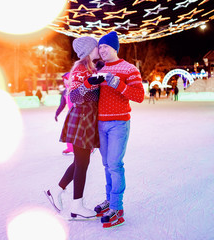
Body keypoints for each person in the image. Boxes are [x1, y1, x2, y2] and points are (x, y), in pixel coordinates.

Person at [44, 36, 105, 219]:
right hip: (82, 119)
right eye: (96, 47)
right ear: (88, 50)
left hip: (87, 118)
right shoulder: (80, 70)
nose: (99, 49)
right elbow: (75, 97)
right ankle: (76, 204)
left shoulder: (89, 68)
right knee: (82, 163)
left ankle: (56, 190)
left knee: (81, 162)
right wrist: (89, 83)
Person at [95, 31, 144, 228]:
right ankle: (109, 200)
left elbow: (139, 96)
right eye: (100, 47)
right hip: (100, 124)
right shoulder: (98, 68)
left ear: (114, 47)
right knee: (107, 164)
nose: (102, 50)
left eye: (105, 46)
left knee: (115, 164)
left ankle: (117, 207)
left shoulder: (129, 69)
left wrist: (118, 83)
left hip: (118, 124)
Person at [55, 72, 74, 155]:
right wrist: (57, 113)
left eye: (67, 79)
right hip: (70, 114)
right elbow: (62, 104)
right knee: (69, 131)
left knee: (81, 132)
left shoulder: (76, 88)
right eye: (64, 80)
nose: (65, 82)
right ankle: (70, 148)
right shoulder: (65, 92)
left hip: (80, 113)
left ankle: (88, 148)